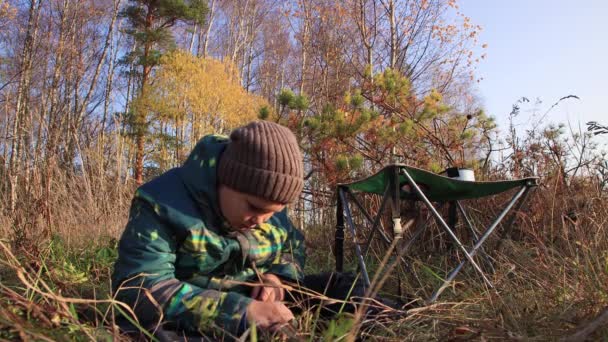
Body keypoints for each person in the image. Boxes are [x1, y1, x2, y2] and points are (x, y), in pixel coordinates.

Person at [112, 121, 365, 340]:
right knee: (156, 332)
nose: (262, 221)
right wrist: (239, 312)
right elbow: (140, 287)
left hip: (260, 303)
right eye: (254, 207)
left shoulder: (267, 208)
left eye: (274, 212)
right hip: (194, 311)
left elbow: (292, 246)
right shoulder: (161, 203)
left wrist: (278, 279)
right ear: (225, 180)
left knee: (347, 287)